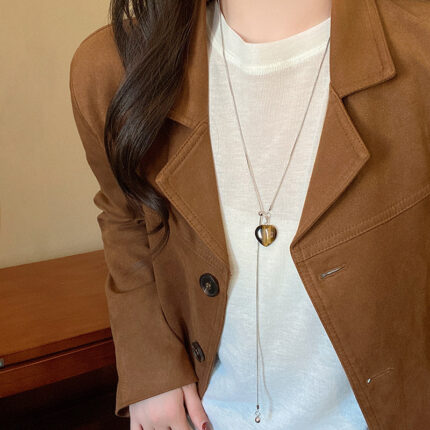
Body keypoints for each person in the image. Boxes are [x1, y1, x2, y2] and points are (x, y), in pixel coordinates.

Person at [69, 0, 430, 429]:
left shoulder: (417, 48)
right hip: (203, 416)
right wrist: (150, 365)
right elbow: (126, 214)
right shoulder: (116, 68)